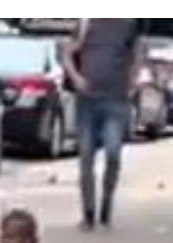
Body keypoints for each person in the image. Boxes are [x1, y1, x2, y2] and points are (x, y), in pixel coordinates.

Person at [61, 19, 140, 230]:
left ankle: (106, 201)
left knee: (113, 153)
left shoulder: (127, 25)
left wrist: (132, 81)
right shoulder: (86, 22)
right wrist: (76, 78)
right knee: (86, 156)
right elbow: (67, 52)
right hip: (87, 101)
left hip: (116, 100)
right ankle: (88, 213)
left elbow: (136, 56)